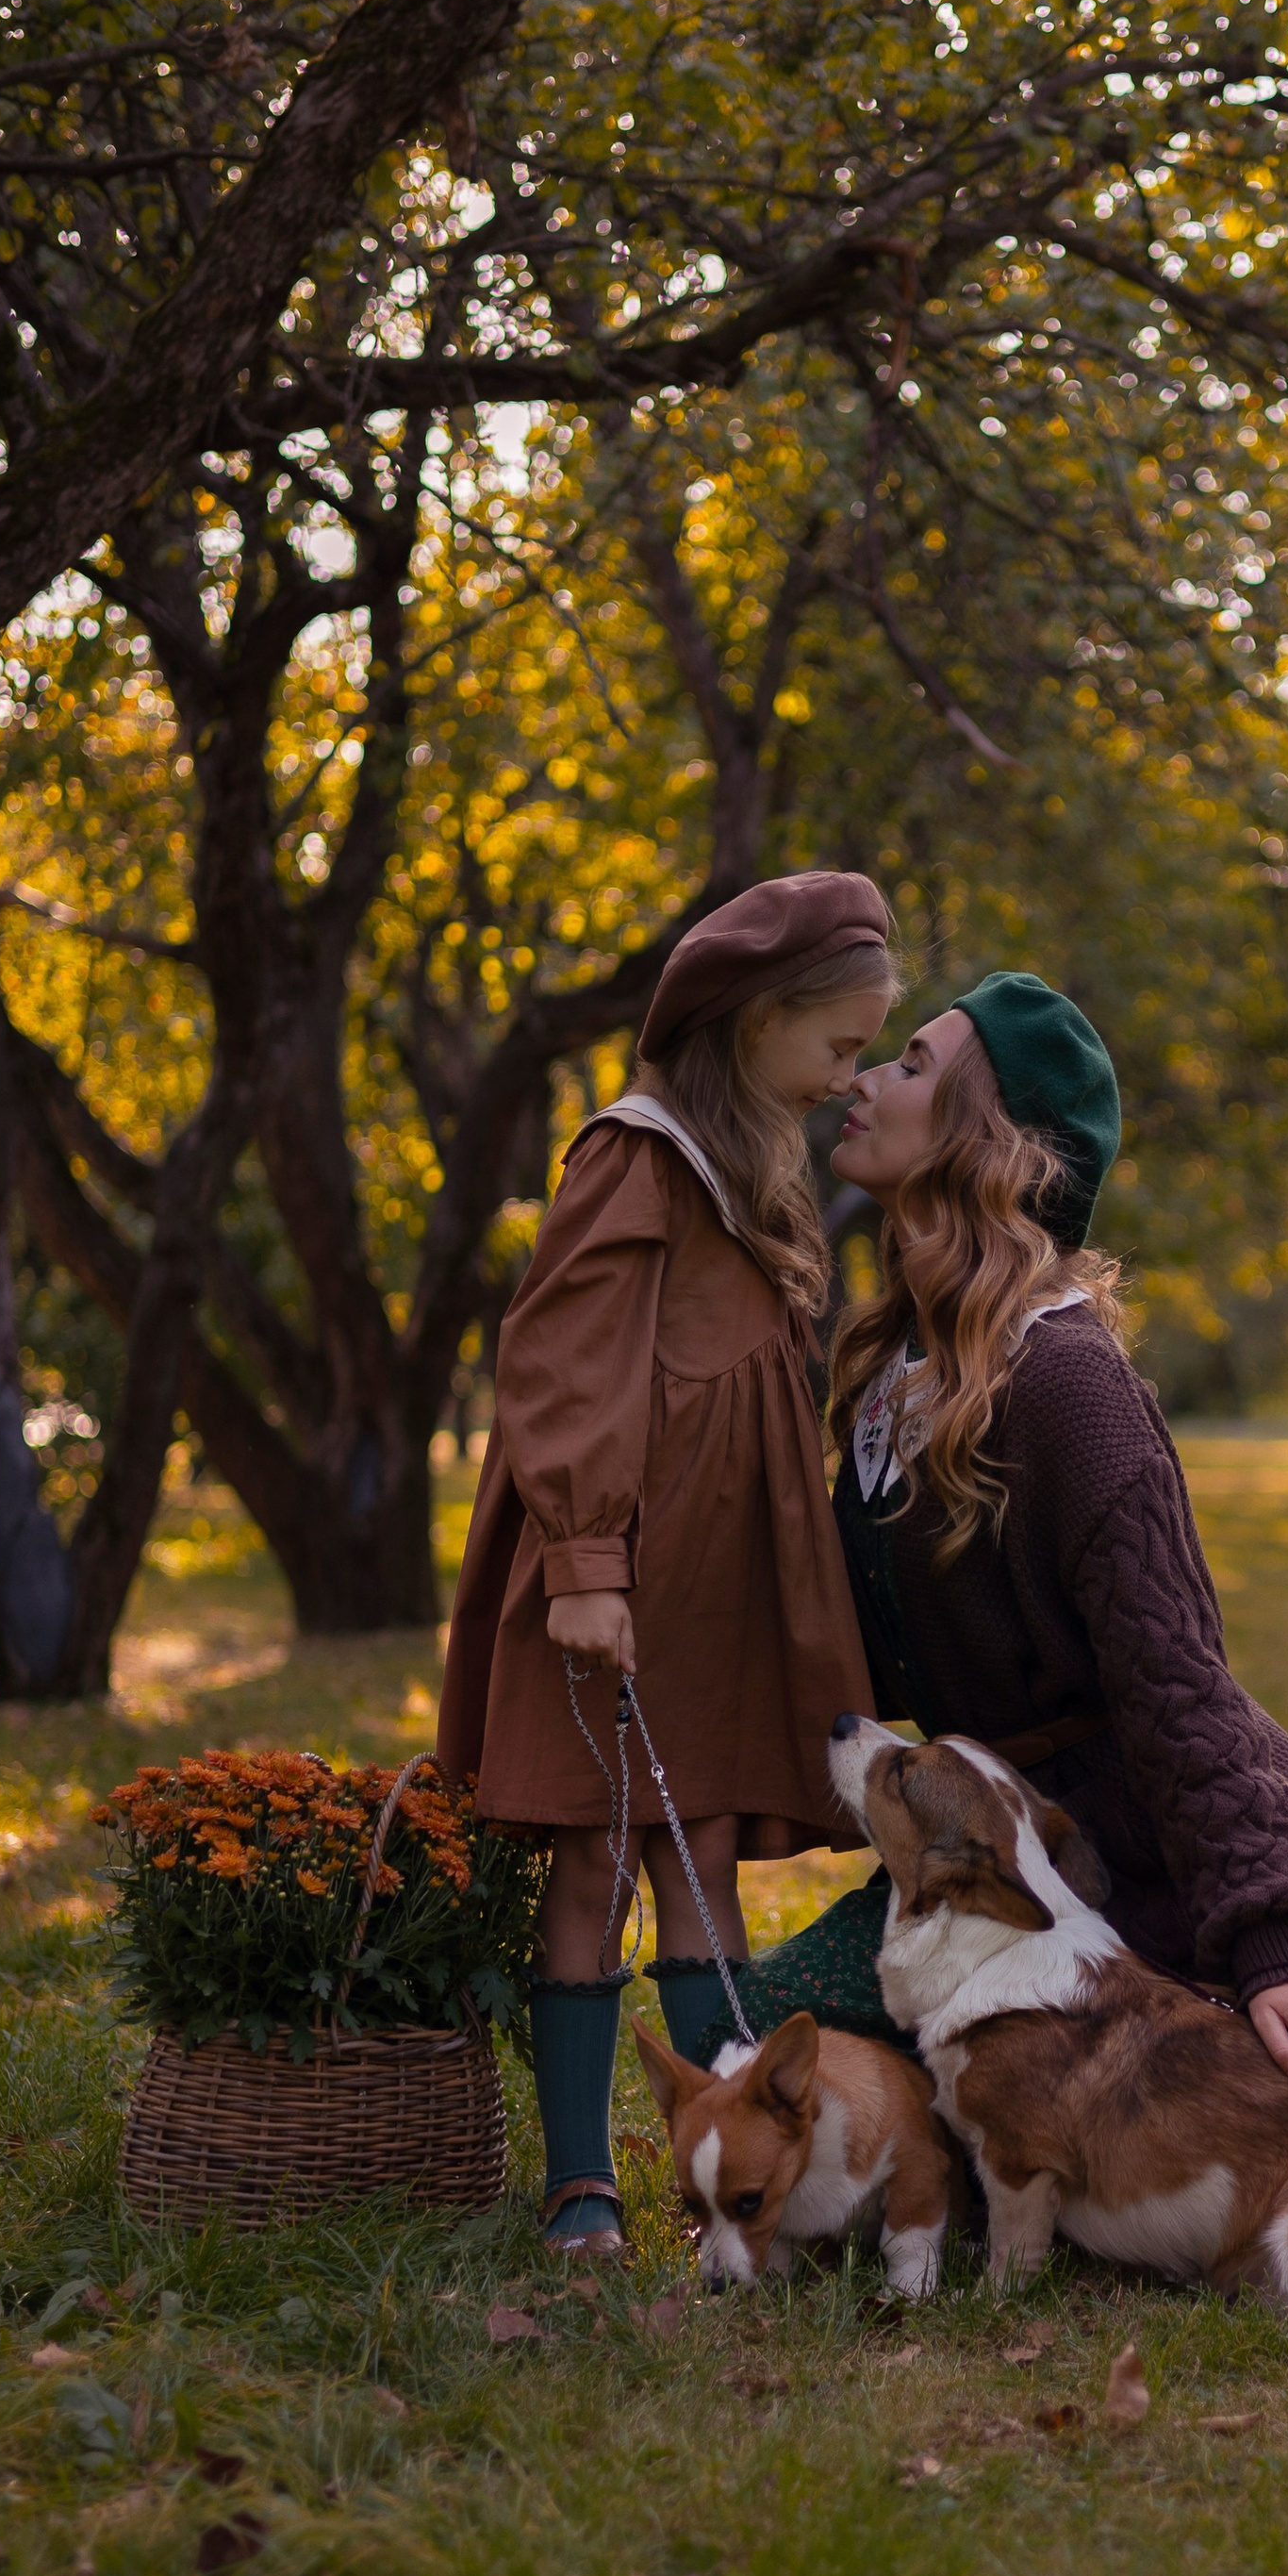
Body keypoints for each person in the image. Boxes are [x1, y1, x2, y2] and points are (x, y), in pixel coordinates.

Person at [822, 973, 1288, 2130]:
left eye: (912, 1064)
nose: (864, 1078)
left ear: (990, 1145)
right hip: (1010, 1844)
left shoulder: (1069, 1386)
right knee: (783, 2030)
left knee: (875, 2095)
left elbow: (1178, 1686)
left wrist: (1274, 1947)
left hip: (1158, 1865)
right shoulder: (900, 1373)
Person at [438, 873, 897, 2251]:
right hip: (621, 1577)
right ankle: (581, 2177)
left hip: (718, 1590)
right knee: (594, 1863)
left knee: (701, 1855)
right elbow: (565, 1358)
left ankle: (727, 2175)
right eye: (843, 1046)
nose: (851, 1078)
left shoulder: (761, 1172)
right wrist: (582, 1559)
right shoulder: (638, 1155)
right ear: (757, 1024)